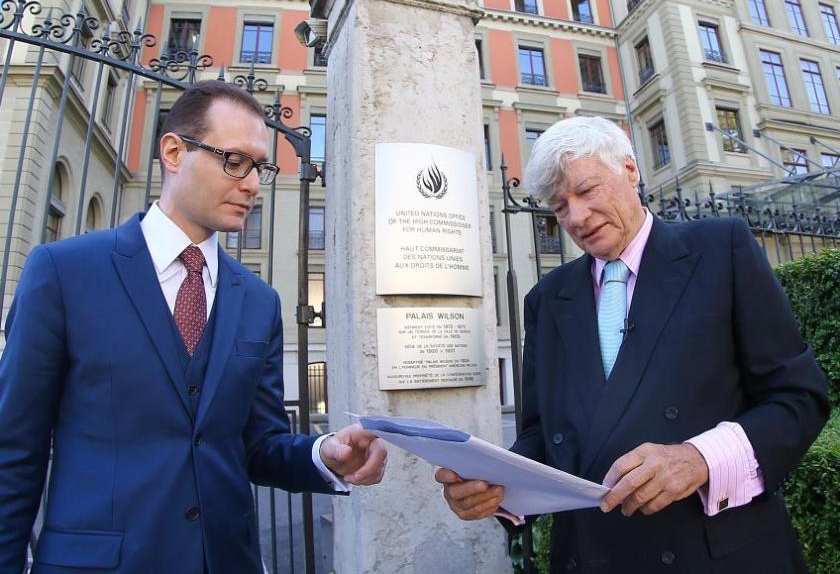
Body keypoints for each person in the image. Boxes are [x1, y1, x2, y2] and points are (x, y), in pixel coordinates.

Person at [0, 80, 387, 573]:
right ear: (173, 152)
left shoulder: (259, 301)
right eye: (235, 161)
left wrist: (323, 454)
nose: (252, 184)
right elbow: (14, 450)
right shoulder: (63, 272)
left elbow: (259, 444)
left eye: (260, 168)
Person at [436, 116, 829, 572]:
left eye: (587, 191)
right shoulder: (546, 298)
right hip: (588, 555)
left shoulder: (721, 249)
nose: (576, 218)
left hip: (717, 555)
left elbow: (798, 397)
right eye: (559, 207)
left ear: (630, 170)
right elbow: (544, 435)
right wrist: (499, 486)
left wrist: (701, 459)